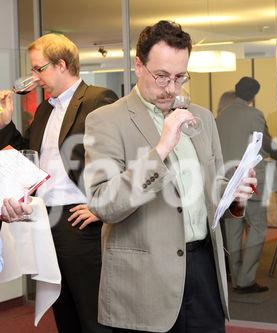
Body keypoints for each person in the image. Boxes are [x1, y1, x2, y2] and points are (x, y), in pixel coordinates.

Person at [83, 20, 256, 333]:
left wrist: (235, 197)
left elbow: (210, 189)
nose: (172, 88)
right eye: (161, 76)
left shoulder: (201, 117)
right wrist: (161, 148)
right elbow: (103, 203)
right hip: (144, 280)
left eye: (180, 77)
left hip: (204, 269)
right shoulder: (106, 120)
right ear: (138, 66)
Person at [0, 33, 118, 333]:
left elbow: (121, 159)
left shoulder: (97, 100)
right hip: (46, 222)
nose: (34, 77)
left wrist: (101, 207)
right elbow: (28, 161)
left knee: (93, 316)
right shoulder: (44, 110)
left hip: (81, 224)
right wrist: (4, 125)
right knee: (63, 311)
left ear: (61, 64)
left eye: (39, 68)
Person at [216, 77, 277, 294]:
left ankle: (234, 277)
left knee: (233, 229)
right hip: (250, 180)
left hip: (227, 182)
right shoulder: (255, 115)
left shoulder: (220, 117)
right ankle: (245, 279)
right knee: (258, 228)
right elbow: (266, 143)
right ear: (253, 95)